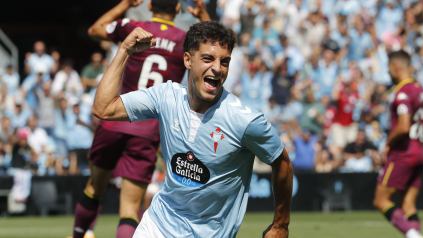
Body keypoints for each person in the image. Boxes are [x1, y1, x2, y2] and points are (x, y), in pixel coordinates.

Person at [92, 21, 292, 238]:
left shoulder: (245, 120)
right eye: (208, 58)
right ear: (187, 59)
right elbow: (104, 108)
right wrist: (124, 50)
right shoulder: (165, 97)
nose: (217, 68)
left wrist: (280, 225)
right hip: (157, 226)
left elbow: (281, 162)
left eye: (224, 62)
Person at [71, 0, 211, 237]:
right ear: (177, 9)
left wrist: (124, 4)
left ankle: (77, 235)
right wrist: (203, 15)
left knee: (94, 188)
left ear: (149, 6)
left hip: (115, 118)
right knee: (129, 208)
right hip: (148, 128)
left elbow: (95, 30)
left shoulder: (133, 27)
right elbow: (212, 46)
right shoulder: (185, 40)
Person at [373, 50, 423, 238]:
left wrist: (388, 143)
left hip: (404, 153)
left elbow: (403, 126)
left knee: (381, 200)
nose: (387, 72)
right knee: (408, 204)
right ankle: (414, 233)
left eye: (388, 68)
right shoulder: (420, 89)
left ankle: (413, 235)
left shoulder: (402, 92)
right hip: (420, 151)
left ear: (396, 66)